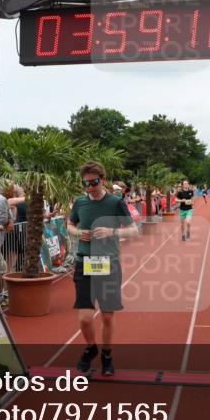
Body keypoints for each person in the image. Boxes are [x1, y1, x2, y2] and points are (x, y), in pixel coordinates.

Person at [68, 161, 137, 376]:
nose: (89, 187)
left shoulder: (116, 203)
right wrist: (78, 233)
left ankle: (106, 355)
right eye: (85, 183)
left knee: (107, 316)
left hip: (109, 262)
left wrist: (112, 232)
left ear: (102, 180)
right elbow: (69, 225)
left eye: (94, 182)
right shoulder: (79, 203)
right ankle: (91, 348)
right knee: (85, 317)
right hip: (85, 261)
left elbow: (134, 230)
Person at [0, 190, 13, 307]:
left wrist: (9, 221)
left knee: (1, 268)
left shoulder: (1, 200)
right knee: (1, 267)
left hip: (82, 255)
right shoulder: (1, 199)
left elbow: (9, 222)